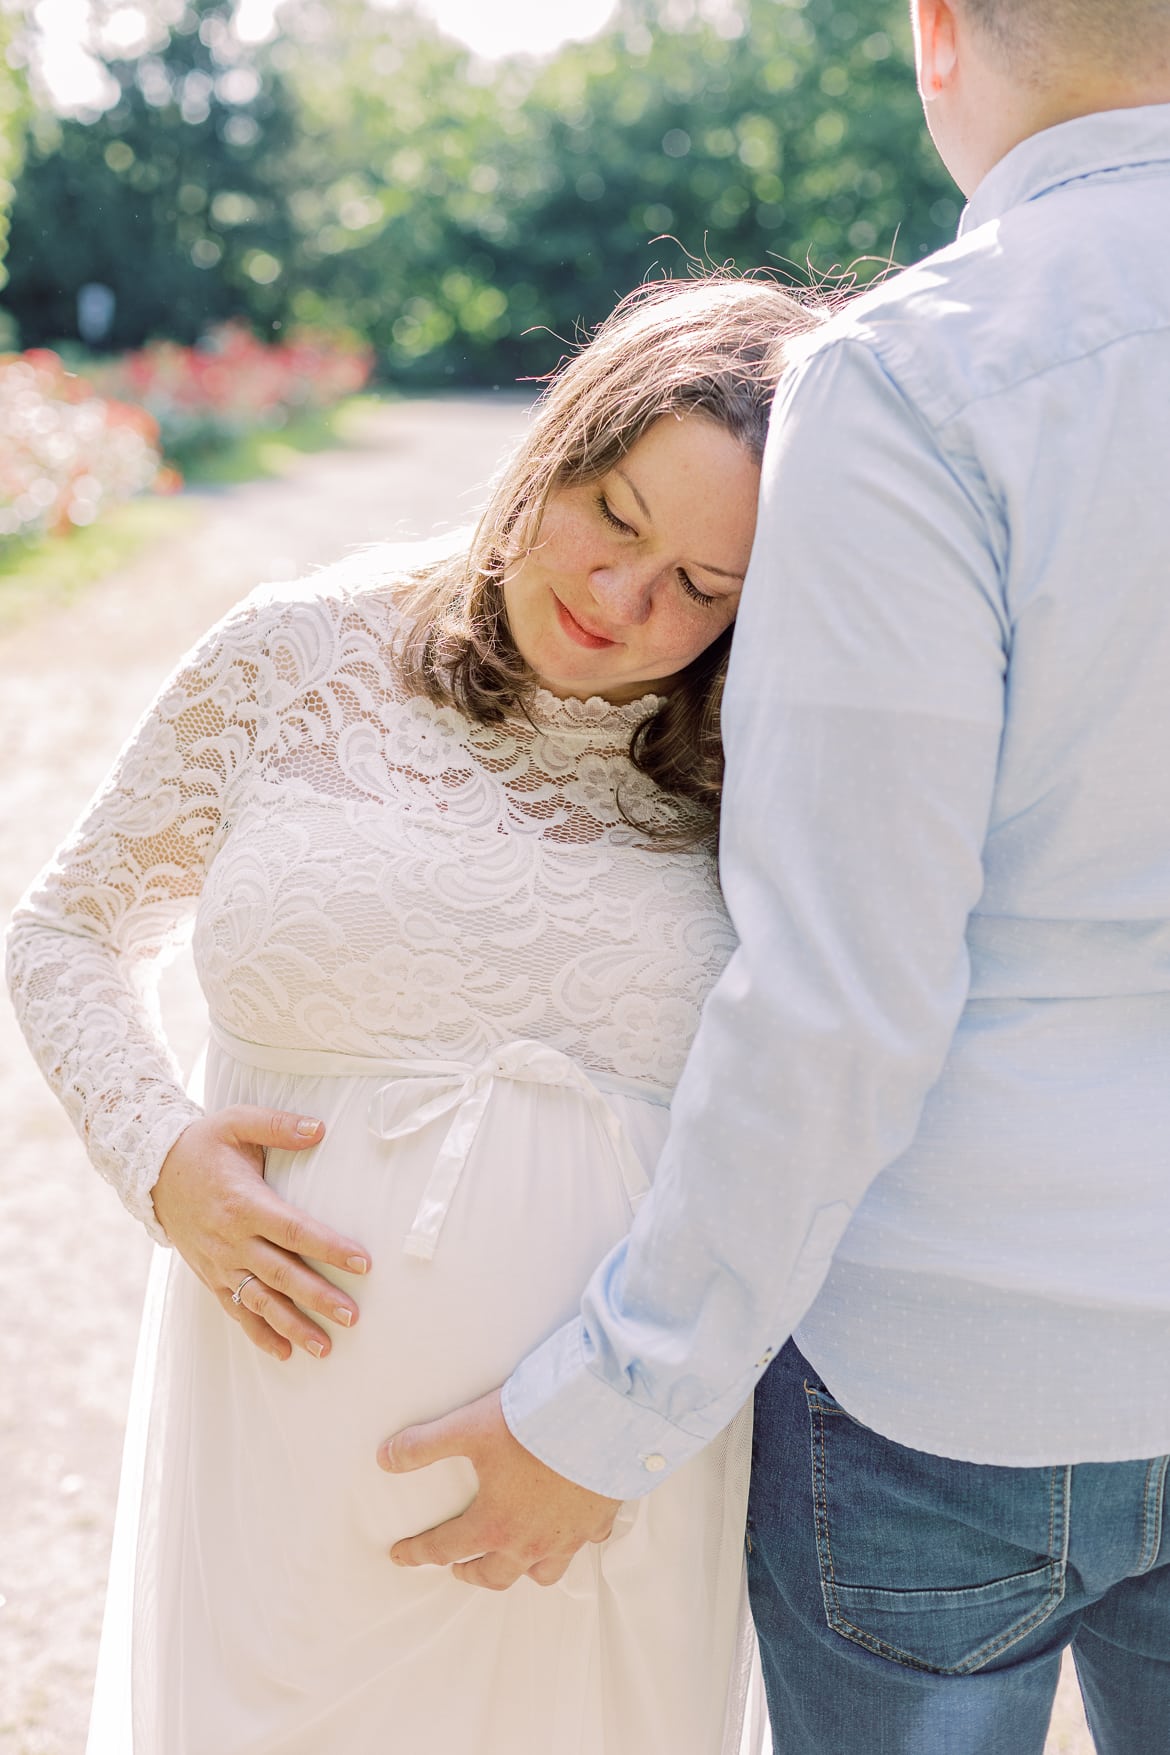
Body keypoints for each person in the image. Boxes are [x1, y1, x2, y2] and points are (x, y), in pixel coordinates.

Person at [384, 4, 1170, 1751]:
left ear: (936, 32)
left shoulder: (916, 375)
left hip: (948, 1368)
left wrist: (609, 1406)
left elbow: (845, 989)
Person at [5, 274, 822, 1753]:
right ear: (553, 446)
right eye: (615, 516)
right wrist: (158, 1152)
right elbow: (65, 931)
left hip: (596, 1493)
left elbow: (820, 1104)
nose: (625, 601)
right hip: (275, 1452)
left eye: (707, 589)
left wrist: (613, 1430)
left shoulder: (769, 757)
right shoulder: (293, 651)